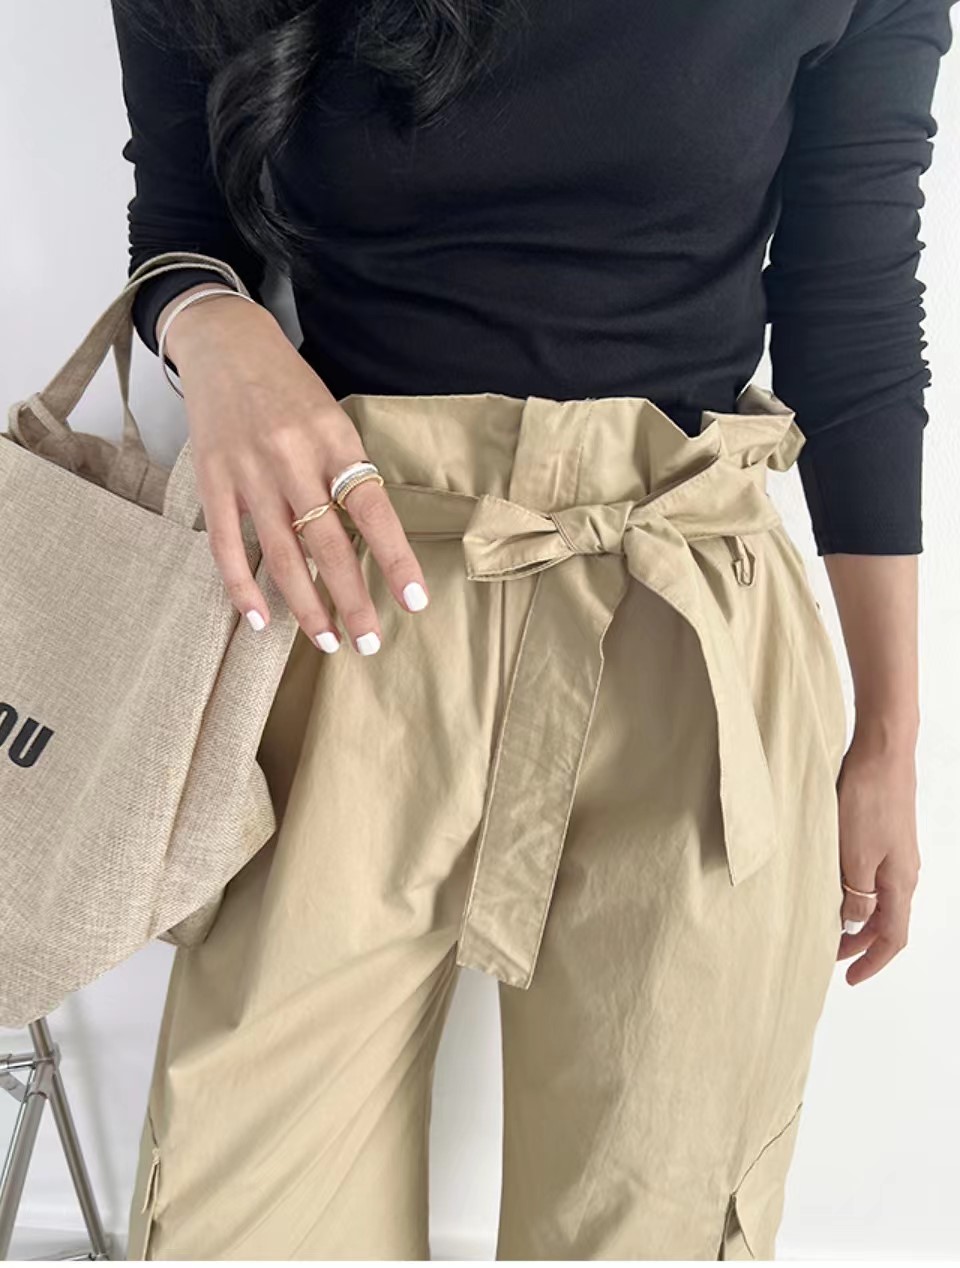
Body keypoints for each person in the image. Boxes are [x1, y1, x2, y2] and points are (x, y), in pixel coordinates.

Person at [110, 0, 954, 1258]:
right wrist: (214, 327)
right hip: (346, 603)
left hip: (689, 642)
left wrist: (888, 734)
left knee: (652, 1222)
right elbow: (181, 222)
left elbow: (856, 311)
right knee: (243, 1213)